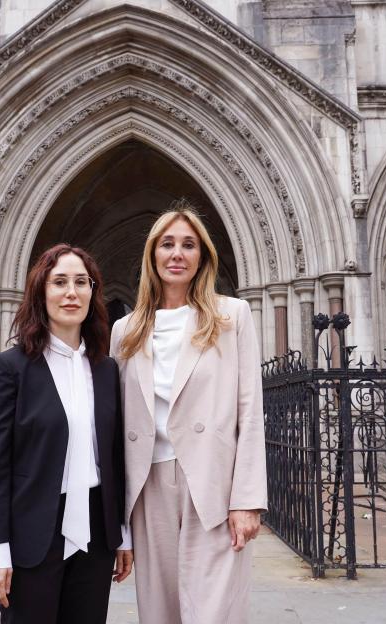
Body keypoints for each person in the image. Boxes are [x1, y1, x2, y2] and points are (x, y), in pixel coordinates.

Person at [110, 201, 267, 623]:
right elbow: (113, 425)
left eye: (188, 245)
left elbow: (250, 408)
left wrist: (247, 500)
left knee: (214, 610)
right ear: (152, 255)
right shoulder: (124, 331)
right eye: (167, 244)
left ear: (202, 257)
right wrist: (117, 522)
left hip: (212, 481)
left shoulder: (231, 316)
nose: (177, 253)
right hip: (147, 484)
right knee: (158, 611)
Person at [0, 244, 133, 623]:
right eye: (59, 281)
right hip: (33, 532)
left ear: (93, 292)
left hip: (95, 534)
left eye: (82, 282)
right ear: (41, 292)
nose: (71, 292)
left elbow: (113, 458)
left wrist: (121, 532)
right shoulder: (11, 368)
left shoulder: (106, 370)